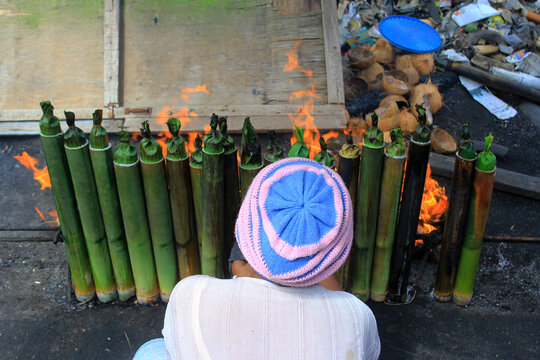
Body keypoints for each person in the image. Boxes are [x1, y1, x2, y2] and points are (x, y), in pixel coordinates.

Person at [134, 158, 380, 360]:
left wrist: (248, 273)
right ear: (335, 258)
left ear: (243, 234)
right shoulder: (357, 318)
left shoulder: (190, 294)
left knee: (150, 352)